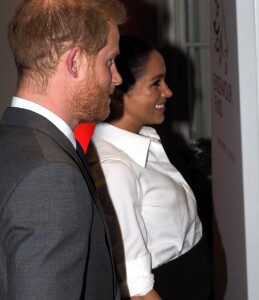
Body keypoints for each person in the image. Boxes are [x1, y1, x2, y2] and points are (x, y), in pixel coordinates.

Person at [0, 0, 126, 299]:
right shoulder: (50, 176)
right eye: (109, 61)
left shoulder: (14, 141)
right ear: (75, 62)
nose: (117, 77)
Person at [87, 36, 213, 300]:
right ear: (120, 94)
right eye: (156, 83)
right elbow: (138, 291)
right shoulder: (114, 169)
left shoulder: (145, 138)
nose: (168, 91)